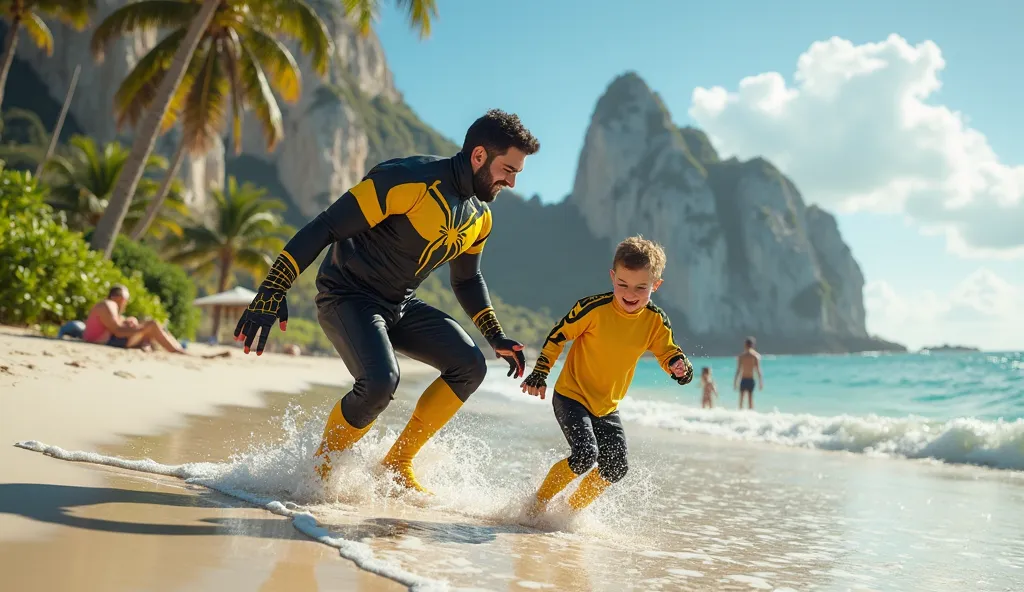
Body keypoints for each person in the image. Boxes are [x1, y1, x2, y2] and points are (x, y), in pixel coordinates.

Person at [233, 109, 540, 494]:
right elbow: (325, 226)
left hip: (399, 303)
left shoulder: (480, 216)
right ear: (480, 156)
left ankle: (397, 464)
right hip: (347, 295)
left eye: (516, 174)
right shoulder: (406, 179)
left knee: (469, 364)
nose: (511, 181)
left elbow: (466, 279)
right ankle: (319, 471)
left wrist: (495, 336)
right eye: (508, 169)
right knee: (379, 383)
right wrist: (274, 287)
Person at [519, 236, 693, 514]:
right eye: (622, 284)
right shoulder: (593, 309)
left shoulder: (655, 320)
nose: (630, 294)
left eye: (641, 287)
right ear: (612, 277)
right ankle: (536, 505)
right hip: (572, 396)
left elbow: (668, 352)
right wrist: (540, 372)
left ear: (656, 285)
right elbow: (558, 335)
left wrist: (679, 368)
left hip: (606, 406)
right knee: (585, 455)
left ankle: (568, 512)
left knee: (616, 467)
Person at [81, 284, 187, 354]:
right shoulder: (109, 305)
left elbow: (114, 325)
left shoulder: (107, 306)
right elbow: (118, 331)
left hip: (104, 339)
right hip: (103, 341)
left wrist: (129, 322)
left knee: (147, 329)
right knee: (151, 325)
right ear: (118, 298)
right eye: (125, 301)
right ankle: (176, 350)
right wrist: (141, 328)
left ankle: (153, 345)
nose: (125, 304)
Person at [733, 336, 763, 409]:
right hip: (750, 379)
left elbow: (738, 370)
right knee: (750, 400)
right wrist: (760, 382)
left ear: (745, 345)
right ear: (753, 345)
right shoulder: (756, 356)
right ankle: (750, 417)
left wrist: (735, 382)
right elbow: (758, 370)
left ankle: (741, 416)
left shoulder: (742, 356)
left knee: (741, 400)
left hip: (744, 379)